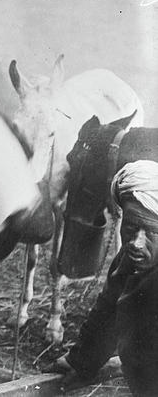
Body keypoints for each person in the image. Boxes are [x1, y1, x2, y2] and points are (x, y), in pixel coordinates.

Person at [52, 160, 158, 396]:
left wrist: (128, 363)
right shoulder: (130, 259)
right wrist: (82, 361)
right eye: (130, 228)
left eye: (150, 231)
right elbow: (109, 310)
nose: (136, 243)